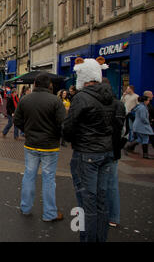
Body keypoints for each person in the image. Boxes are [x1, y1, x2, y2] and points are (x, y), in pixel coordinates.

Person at [63, 58, 117, 242]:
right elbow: (116, 124)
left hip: (87, 154)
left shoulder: (81, 97)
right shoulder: (111, 96)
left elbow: (69, 128)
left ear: (83, 76)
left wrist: (69, 136)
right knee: (102, 200)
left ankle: (88, 239)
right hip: (106, 153)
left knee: (87, 201)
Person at [14, 74, 66, 222]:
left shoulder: (25, 99)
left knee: (29, 176)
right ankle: (50, 213)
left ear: (35, 84)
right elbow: (63, 123)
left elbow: (17, 120)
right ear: (49, 85)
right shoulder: (56, 101)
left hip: (31, 144)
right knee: (48, 179)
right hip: (50, 145)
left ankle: (25, 207)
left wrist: (27, 130)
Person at [102, 78, 126, 229]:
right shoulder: (119, 104)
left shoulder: (95, 104)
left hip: (98, 148)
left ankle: (97, 214)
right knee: (111, 184)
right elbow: (123, 130)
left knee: (93, 183)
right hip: (113, 148)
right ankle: (113, 217)